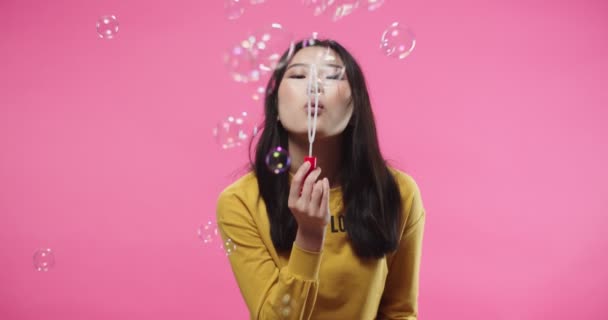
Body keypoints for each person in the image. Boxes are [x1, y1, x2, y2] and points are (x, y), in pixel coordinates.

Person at [216, 38, 426, 319]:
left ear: (355, 106)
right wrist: (309, 238)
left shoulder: (397, 192)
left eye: (332, 76)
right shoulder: (240, 201)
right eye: (299, 75)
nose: (314, 86)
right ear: (275, 106)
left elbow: (399, 312)